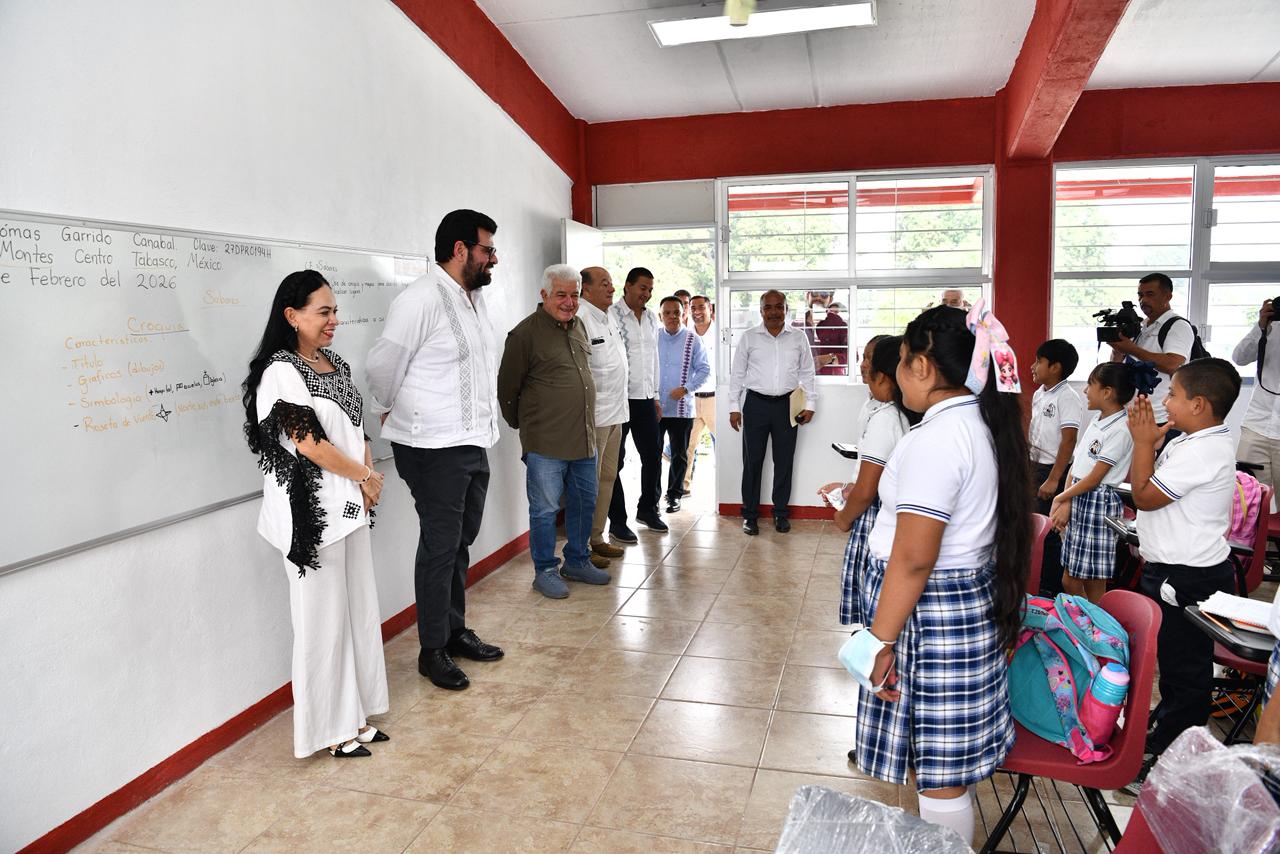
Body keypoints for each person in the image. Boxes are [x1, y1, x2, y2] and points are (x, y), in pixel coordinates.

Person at [852, 303, 1032, 845]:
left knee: (939, 777)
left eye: (903, 360)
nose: (900, 372)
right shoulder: (980, 424)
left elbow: (914, 558)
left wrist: (880, 642)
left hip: (929, 618)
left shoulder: (936, 439)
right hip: (958, 607)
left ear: (923, 367)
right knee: (941, 765)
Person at [243, 270, 389, 758]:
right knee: (321, 621)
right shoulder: (280, 372)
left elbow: (357, 426)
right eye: (323, 311)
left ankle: (357, 714)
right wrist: (363, 477)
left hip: (348, 504)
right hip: (311, 515)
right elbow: (308, 444)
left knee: (356, 611)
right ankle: (329, 729)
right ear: (293, 315)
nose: (334, 320)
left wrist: (366, 472)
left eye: (334, 310)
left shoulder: (335, 362)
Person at [365, 209, 504, 692]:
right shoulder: (420, 299)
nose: (494, 259)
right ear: (461, 249)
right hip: (433, 446)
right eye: (487, 250)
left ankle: (454, 629)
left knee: (461, 539)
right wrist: (389, 405)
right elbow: (384, 365)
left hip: (471, 440)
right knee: (441, 546)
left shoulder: (473, 299)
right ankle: (432, 650)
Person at [1123, 358, 1242, 794]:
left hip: (1187, 576)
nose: (1165, 401)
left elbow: (1145, 496)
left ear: (1198, 403)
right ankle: (1167, 740)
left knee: (1186, 671)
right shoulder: (1193, 439)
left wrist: (1139, 443)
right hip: (1172, 569)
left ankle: (1175, 769)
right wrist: (1151, 444)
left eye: (1172, 393)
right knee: (1174, 668)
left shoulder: (1204, 450)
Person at [497, 266, 606, 599]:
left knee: (585, 502)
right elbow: (507, 391)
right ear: (544, 295)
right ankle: (544, 570)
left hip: (584, 437)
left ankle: (577, 560)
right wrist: (529, 428)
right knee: (544, 510)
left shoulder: (578, 327)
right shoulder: (524, 335)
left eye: (574, 295)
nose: (569, 302)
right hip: (545, 442)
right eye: (561, 294)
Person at [820, 335, 915, 633]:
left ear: (885, 376)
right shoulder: (880, 407)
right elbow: (869, 469)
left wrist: (843, 517)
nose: (863, 366)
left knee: (872, 584)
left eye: (869, 360)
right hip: (877, 506)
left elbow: (869, 487)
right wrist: (848, 487)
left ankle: (874, 636)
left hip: (874, 514)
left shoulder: (887, 417)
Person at [1049, 362, 1143, 603]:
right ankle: (1086, 624)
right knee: (1071, 580)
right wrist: (1067, 498)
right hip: (1080, 496)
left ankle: (1097, 629)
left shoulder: (1121, 429)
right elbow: (1077, 465)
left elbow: (1094, 479)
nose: (1085, 391)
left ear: (1107, 392)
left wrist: (1061, 498)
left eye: (1090, 385)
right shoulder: (1098, 420)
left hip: (1097, 503)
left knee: (1091, 582)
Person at [729, 290, 817, 535]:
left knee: (784, 462)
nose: (774, 312)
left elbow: (808, 373)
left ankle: (780, 514)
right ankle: (750, 516)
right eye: (769, 307)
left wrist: (810, 405)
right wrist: (734, 408)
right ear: (761, 311)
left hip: (787, 406)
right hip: (755, 405)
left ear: (786, 309)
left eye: (779, 306)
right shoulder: (749, 338)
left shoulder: (799, 338)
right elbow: (737, 375)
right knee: (752, 463)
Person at [608, 267, 666, 535]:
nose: (647, 294)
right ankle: (618, 521)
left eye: (651, 289)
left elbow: (653, 359)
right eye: (643, 288)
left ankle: (647, 510)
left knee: (653, 456)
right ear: (627, 286)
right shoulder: (611, 315)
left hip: (643, 399)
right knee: (614, 462)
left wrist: (654, 395)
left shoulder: (653, 318)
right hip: (619, 399)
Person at [578, 266, 629, 570]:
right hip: (594, 418)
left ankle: (597, 537)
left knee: (608, 478)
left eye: (611, 283)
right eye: (605, 284)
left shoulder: (606, 317)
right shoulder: (581, 319)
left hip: (616, 414)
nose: (612, 288)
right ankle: (581, 546)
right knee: (588, 483)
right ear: (586, 290)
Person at [1109, 272, 1194, 439]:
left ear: (1167, 296)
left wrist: (1132, 349)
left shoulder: (1177, 326)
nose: (1143, 300)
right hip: (1133, 415)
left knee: (1155, 465)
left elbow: (1173, 364)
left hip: (1162, 418)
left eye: (1150, 294)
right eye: (1140, 295)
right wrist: (1118, 348)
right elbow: (1118, 366)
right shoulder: (1141, 327)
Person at [1028, 339, 1083, 595]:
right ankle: (1035, 579)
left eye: (1039, 361)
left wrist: (1053, 479)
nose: (1033, 366)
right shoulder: (1040, 394)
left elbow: (1068, 440)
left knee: (1049, 532)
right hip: (1034, 465)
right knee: (1034, 526)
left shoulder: (1067, 397)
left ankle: (1049, 587)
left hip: (1053, 470)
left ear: (1056, 367)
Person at [656, 296, 710, 514]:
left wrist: (686, 388)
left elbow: (704, 370)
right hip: (656, 408)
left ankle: (674, 495)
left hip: (681, 409)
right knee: (653, 455)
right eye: (667, 313)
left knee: (680, 454)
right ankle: (651, 498)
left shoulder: (692, 339)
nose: (672, 317)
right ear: (660, 316)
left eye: (676, 313)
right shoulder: (652, 338)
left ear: (683, 314)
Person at [1232, 297, 1280, 491]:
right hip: (1256, 426)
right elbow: (1239, 357)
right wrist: (1261, 327)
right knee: (1246, 496)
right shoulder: (1270, 328)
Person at [681, 294, 717, 498]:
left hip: (714, 398)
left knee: (723, 446)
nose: (696, 312)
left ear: (709, 308)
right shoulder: (686, 335)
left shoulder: (720, 332)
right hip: (691, 399)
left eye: (701, 307)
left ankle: (726, 489)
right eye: (693, 308)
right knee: (687, 446)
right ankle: (683, 488)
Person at [814, 301, 849, 376]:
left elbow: (853, 356)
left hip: (833, 371)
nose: (833, 315)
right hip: (824, 368)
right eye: (831, 312)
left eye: (836, 312)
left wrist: (832, 357)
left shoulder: (843, 327)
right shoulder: (822, 325)